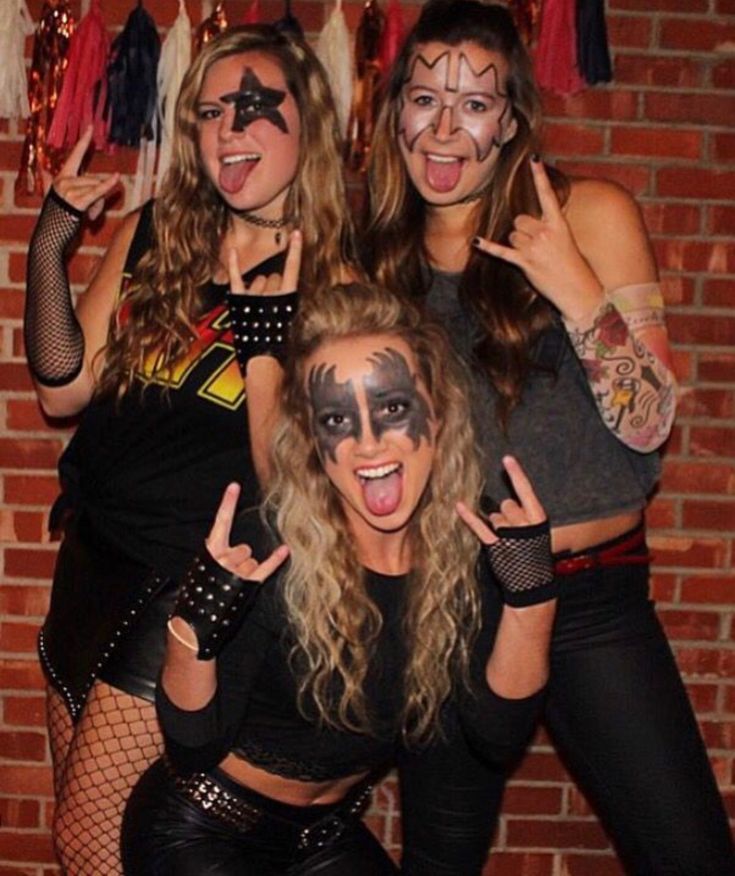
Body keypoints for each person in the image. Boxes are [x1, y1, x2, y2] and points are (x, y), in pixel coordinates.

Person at [364, 1, 735, 873]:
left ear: (511, 123)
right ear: (397, 112)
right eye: (425, 98)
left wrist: (575, 291)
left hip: (590, 600)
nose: (445, 127)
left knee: (690, 856)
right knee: (439, 861)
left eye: (475, 104)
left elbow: (650, 423)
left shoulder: (587, 214)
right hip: (452, 602)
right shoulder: (379, 256)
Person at [25, 25, 355, 875]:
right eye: (209, 112)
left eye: (253, 110)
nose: (226, 131)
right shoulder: (157, 231)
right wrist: (52, 245)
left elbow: (294, 479)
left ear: (308, 125)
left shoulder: (339, 277)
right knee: (85, 832)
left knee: (91, 841)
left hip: (188, 579)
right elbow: (62, 387)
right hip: (93, 557)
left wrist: (264, 339)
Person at [120, 279, 558, 874]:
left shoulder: (468, 545)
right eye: (335, 418)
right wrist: (194, 629)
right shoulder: (273, 545)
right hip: (202, 831)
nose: (368, 442)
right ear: (311, 439)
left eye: (393, 407)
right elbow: (193, 745)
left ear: (441, 409)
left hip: (321, 838)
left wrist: (531, 598)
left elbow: (497, 735)